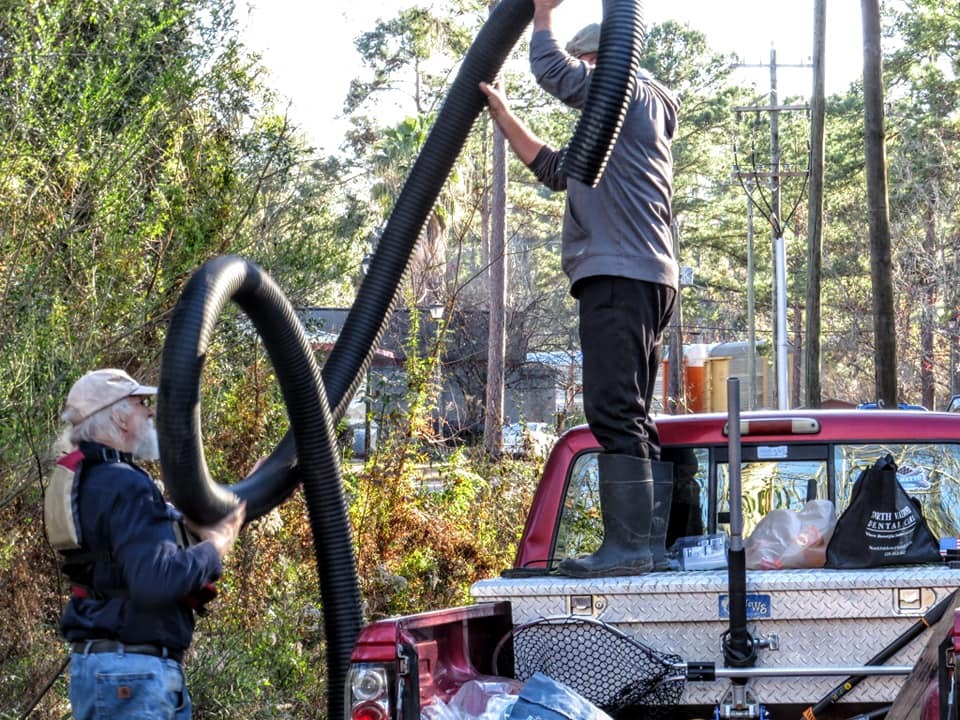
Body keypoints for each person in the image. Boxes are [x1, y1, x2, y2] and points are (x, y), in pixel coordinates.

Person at [480, 0, 680, 577]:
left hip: (618, 275)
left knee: (611, 409)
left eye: (590, 69)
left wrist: (541, 17)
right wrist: (503, 114)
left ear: (602, 61)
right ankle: (646, 547)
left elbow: (554, 73)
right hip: (646, 276)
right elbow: (556, 168)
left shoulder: (624, 90)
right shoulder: (632, 125)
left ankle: (627, 548)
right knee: (632, 412)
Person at [54, 368, 246, 719]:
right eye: (142, 403)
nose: (150, 411)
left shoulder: (90, 481)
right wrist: (215, 548)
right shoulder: (127, 485)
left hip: (107, 670)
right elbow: (154, 580)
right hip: (132, 677)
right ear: (118, 417)